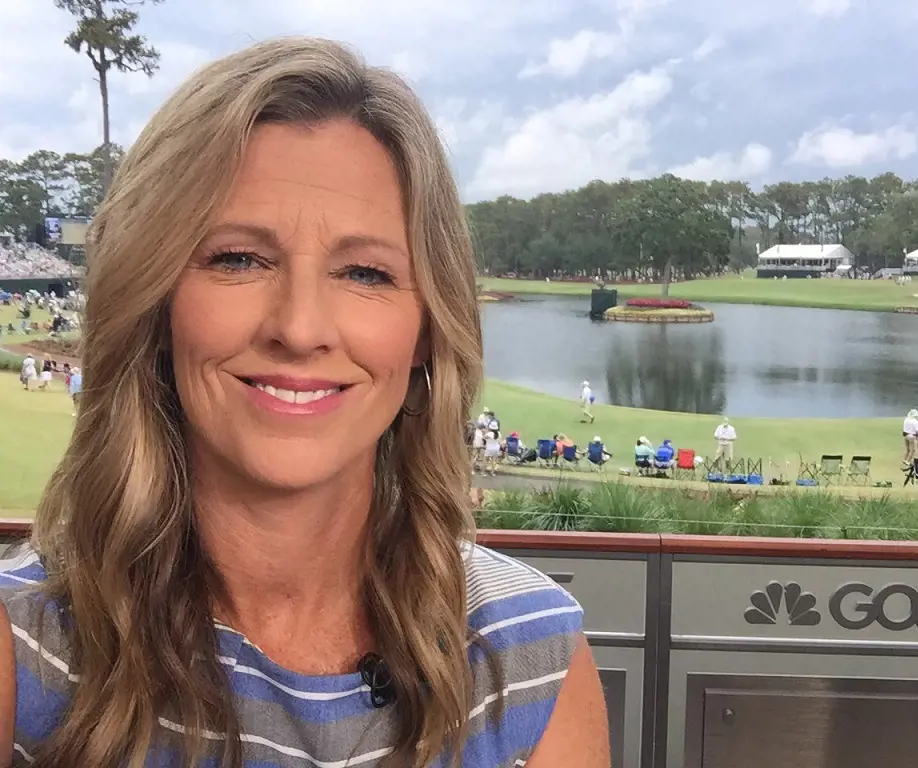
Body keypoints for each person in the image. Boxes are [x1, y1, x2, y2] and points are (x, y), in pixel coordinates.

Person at [0, 38, 608, 768]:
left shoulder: (528, 655)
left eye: (365, 272)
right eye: (238, 259)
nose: (299, 328)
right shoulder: (24, 646)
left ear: (424, 332)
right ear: (156, 303)